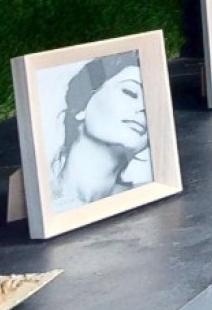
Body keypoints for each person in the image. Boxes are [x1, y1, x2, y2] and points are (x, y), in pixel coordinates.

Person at [49, 51, 151, 211]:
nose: (144, 108)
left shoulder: (148, 197)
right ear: (80, 107)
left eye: (151, 101)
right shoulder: (45, 202)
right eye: (130, 92)